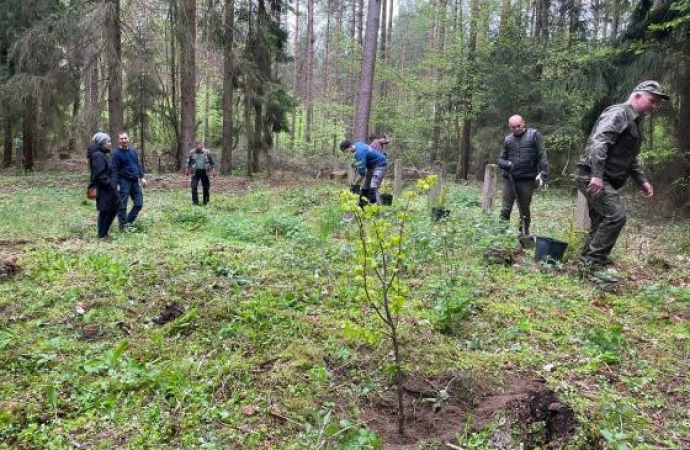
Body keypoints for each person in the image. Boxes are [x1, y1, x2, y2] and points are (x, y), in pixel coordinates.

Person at [576, 80, 668, 282]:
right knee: (616, 216)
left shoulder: (634, 120)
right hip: (592, 176)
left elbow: (629, 157)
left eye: (657, 103)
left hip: (602, 177)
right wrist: (597, 175)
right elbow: (599, 143)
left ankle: (586, 263)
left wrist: (641, 180)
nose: (654, 106)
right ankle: (593, 264)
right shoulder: (619, 114)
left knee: (601, 220)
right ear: (637, 96)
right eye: (652, 100)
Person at [497, 115, 548, 236]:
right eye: (513, 127)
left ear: (523, 123)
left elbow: (542, 155)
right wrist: (507, 164)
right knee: (505, 209)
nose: (516, 129)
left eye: (518, 126)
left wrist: (544, 173)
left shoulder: (534, 135)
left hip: (527, 180)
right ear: (509, 127)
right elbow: (500, 159)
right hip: (510, 180)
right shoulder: (508, 140)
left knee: (524, 210)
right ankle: (500, 235)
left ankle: (524, 234)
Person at [87, 133, 120, 239]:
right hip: (104, 189)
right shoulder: (98, 155)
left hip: (109, 188)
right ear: (102, 143)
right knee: (105, 211)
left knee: (113, 209)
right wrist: (109, 184)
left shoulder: (102, 154)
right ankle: (102, 235)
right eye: (108, 142)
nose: (110, 144)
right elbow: (99, 175)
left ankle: (104, 233)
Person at [111, 131, 147, 229]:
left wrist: (142, 177)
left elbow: (137, 165)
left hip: (135, 181)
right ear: (118, 140)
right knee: (122, 204)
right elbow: (114, 170)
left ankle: (128, 222)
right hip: (123, 181)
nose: (124, 140)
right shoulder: (116, 154)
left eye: (125, 138)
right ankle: (122, 226)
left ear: (128, 139)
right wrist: (117, 184)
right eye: (121, 139)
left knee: (139, 203)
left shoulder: (132, 151)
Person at [340, 140, 388, 204]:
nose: (347, 153)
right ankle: (363, 206)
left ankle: (378, 207)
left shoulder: (359, 153)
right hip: (371, 167)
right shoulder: (357, 144)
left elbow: (362, 174)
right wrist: (356, 163)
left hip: (380, 164)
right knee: (365, 188)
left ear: (350, 147)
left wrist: (355, 184)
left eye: (346, 151)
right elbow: (364, 156)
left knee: (373, 186)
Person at [184, 140, 217, 205]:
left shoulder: (207, 152)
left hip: (205, 171)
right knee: (193, 187)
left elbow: (211, 161)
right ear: (196, 146)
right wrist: (187, 169)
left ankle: (206, 202)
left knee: (206, 187)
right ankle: (195, 202)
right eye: (199, 145)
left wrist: (213, 169)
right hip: (195, 172)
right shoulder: (192, 152)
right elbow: (189, 161)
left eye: (201, 145)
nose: (200, 146)